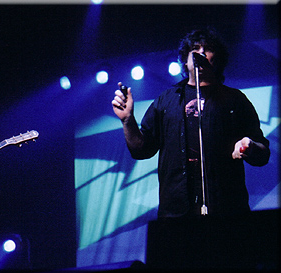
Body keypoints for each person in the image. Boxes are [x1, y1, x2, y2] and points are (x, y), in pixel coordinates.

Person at [112, 29, 270, 219]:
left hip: (227, 209)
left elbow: (263, 154)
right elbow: (141, 149)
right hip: (176, 211)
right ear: (185, 60)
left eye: (208, 49)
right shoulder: (166, 101)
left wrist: (250, 146)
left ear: (217, 59)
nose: (200, 53)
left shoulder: (235, 100)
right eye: (195, 48)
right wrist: (128, 120)